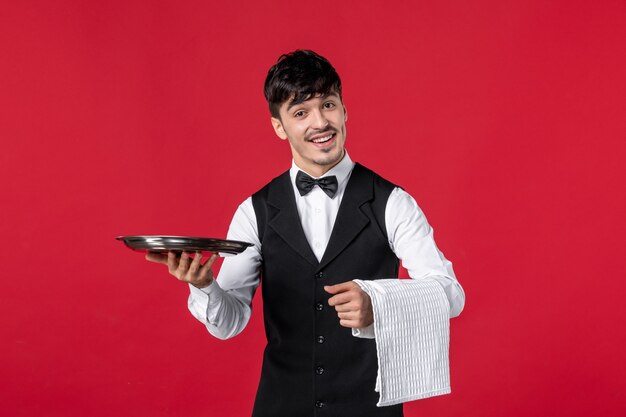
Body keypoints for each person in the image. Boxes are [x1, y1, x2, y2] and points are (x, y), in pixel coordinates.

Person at [146, 50, 465, 417]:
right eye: (300, 113)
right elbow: (230, 323)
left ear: (344, 110)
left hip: (368, 408)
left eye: (328, 105)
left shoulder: (393, 202)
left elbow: (450, 295)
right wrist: (204, 286)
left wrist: (379, 303)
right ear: (279, 126)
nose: (320, 122)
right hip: (280, 406)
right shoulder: (255, 211)